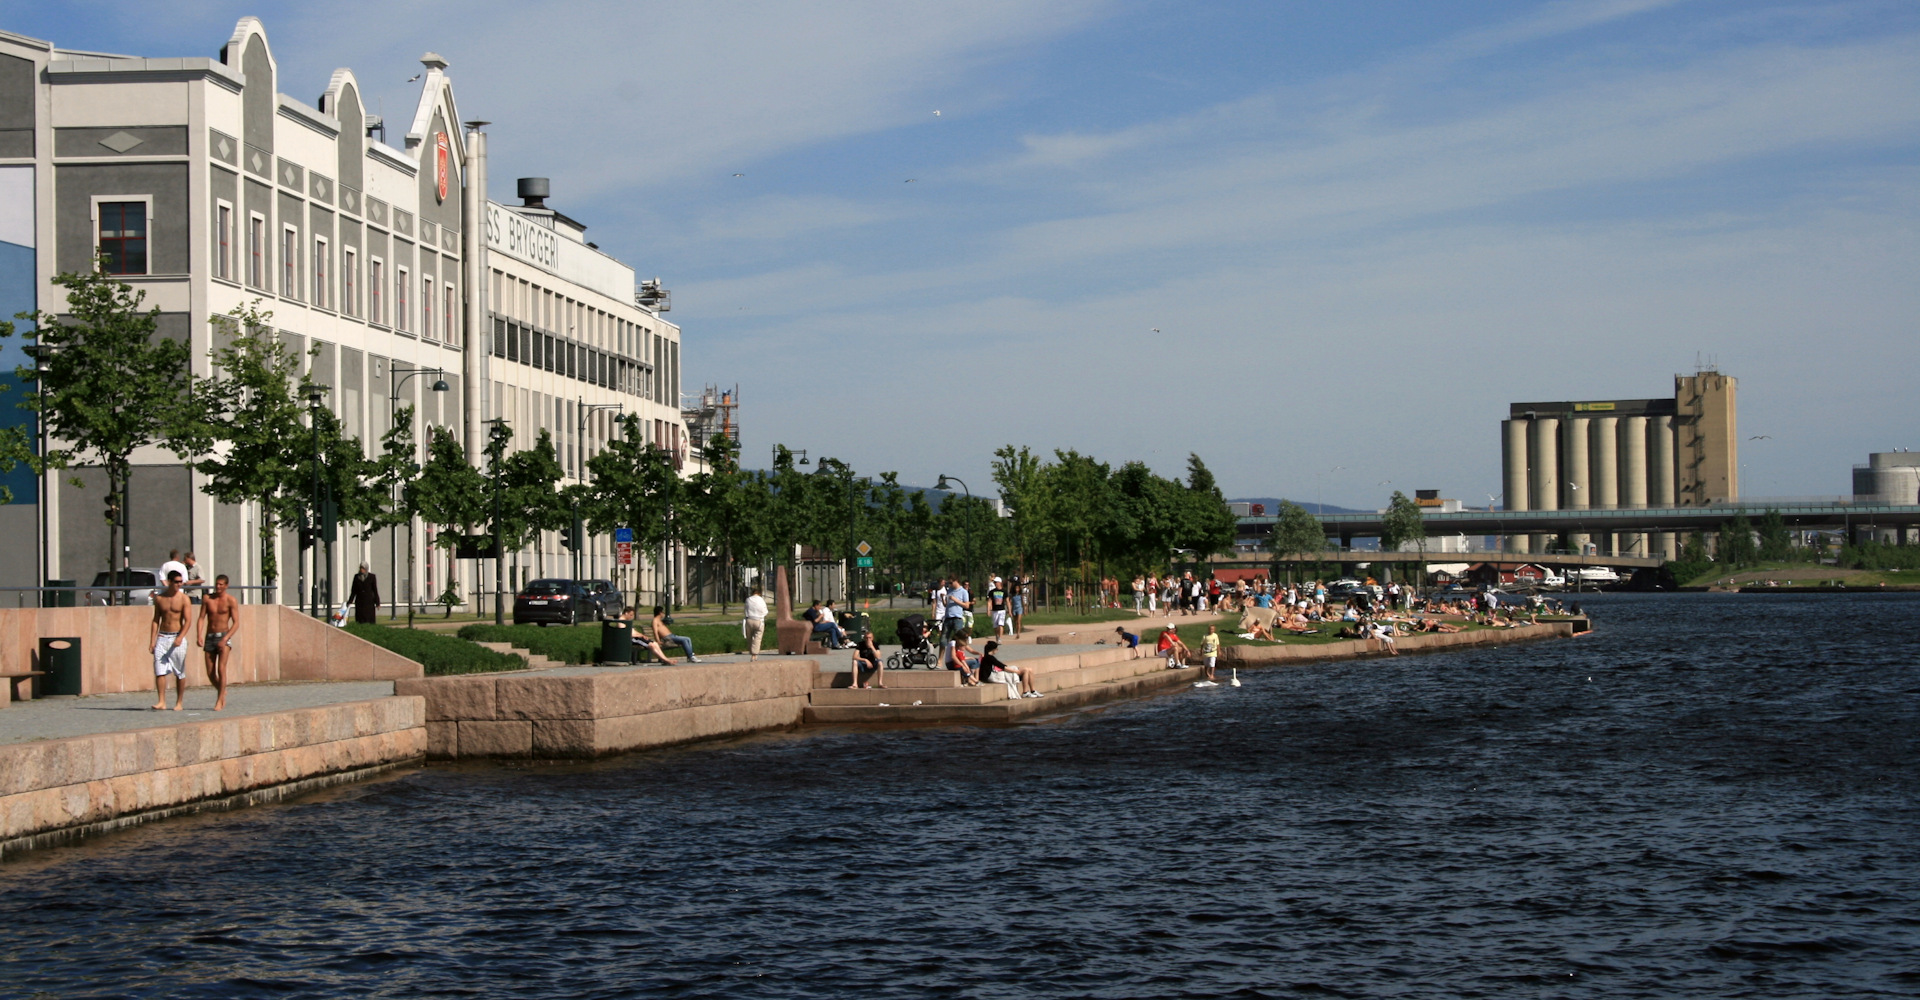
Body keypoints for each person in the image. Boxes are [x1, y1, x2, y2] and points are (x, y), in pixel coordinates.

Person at [149, 569, 194, 710]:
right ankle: (161, 701)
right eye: (176, 582)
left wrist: (180, 637)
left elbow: (188, 621)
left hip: (176, 637)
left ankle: (179, 702)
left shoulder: (184, 599)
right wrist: (152, 640)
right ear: (169, 582)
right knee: (159, 670)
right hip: (162, 637)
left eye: (181, 582)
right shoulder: (160, 599)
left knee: (179, 672)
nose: (179, 584)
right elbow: (156, 620)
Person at [198, 573, 240, 711]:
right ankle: (222, 691)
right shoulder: (207, 599)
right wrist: (199, 635)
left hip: (223, 636)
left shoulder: (231, 600)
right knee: (210, 672)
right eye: (217, 584)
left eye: (221, 584)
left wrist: (226, 638)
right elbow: (201, 618)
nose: (218, 586)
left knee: (221, 669)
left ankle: (219, 699)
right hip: (210, 636)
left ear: (226, 586)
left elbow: (236, 623)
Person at [742, 585, 768, 661]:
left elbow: (745, 610)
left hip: (749, 620)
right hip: (759, 621)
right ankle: (754, 654)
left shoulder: (748, 600)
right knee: (757, 638)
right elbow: (765, 611)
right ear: (759, 593)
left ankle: (751, 651)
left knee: (749, 637)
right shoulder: (761, 600)